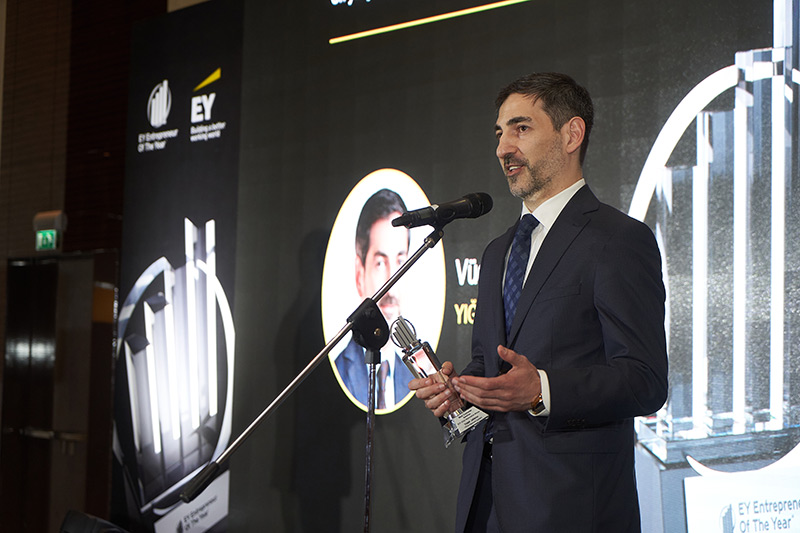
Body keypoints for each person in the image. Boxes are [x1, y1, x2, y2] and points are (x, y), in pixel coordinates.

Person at [409, 73, 668, 532]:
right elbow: (490, 365)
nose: (503, 148)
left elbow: (644, 380)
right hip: (486, 504)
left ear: (571, 134)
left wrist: (542, 390)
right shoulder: (498, 251)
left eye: (521, 129)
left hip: (571, 508)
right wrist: (461, 392)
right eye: (499, 133)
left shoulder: (617, 240)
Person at [335, 188, 416, 410]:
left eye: (400, 262)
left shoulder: (412, 376)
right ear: (359, 274)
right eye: (380, 263)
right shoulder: (341, 371)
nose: (391, 282)